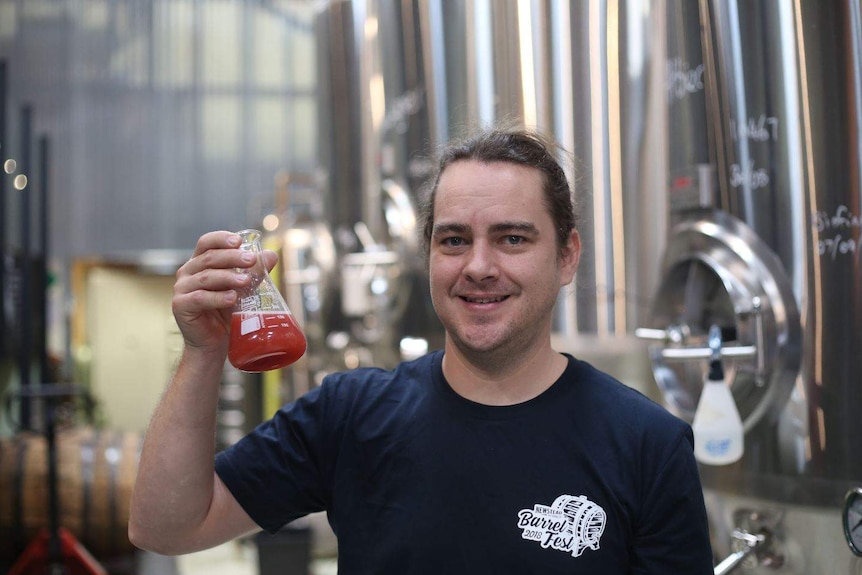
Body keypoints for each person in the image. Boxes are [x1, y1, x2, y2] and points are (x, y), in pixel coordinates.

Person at [129, 127, 714, 573]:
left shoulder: (646, 446)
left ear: (567, 256)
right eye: (454, 240)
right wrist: (202, 353)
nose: (479, 267)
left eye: (512, 238)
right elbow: (166, 527)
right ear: (429, 256)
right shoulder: (349, 416)